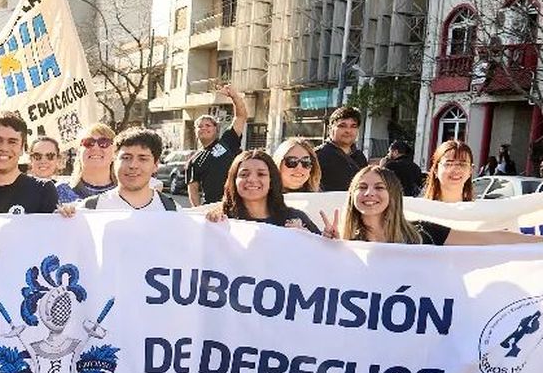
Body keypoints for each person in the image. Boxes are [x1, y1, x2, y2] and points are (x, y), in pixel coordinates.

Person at [325, 165, 541, 246]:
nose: (369, 193)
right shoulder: (343, 241)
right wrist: (327, 248)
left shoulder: (423, 234)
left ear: (393, 195)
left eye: (379, 188)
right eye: (362, 187)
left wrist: (538, 242)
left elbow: (488, 238)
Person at [206, 149, 318, 232]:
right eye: (244, 174)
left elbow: (320, 256)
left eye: (261, 174)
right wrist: (211, 224)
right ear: (233, 180)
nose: (252, 179)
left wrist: (329, 241)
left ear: (271, 180)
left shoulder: (295, 218)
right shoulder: (219, 220)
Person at [81, 128, 179, 213]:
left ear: (155, 165)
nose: (133, 165)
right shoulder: (90, 208)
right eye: (126, 158)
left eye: (143, 159)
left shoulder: (172, 210)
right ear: (114, 160)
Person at [185, 85, 249, 206]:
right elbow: (193, 188)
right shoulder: (193, 160)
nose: (203, 128)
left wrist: (235, 97)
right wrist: (198, 211)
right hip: (213, 208)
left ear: (216, 129)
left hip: (237, 204)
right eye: (199, 126)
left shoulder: (227, 141)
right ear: (195, 132)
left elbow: (241, 116)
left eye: (208, 125)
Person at [314, 105, 370, 193]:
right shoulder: (317, 156)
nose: (348, 130)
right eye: (342, 126)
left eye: (353, 126)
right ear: (330, 129)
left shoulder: (360, 157)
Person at [68, 123, 118, 200]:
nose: (95, 147)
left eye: (104, 143)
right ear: (79, 151)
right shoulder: (58, 192)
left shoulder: (128, 193)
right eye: (88, 143)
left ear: (114, 151)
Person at [27, 136, 76, 205]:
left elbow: (80, 210)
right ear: (31, 159)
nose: (43, 161)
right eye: (37, 156)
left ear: (58, 159)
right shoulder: (19, 188)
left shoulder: (62, 190)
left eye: (50, 156)